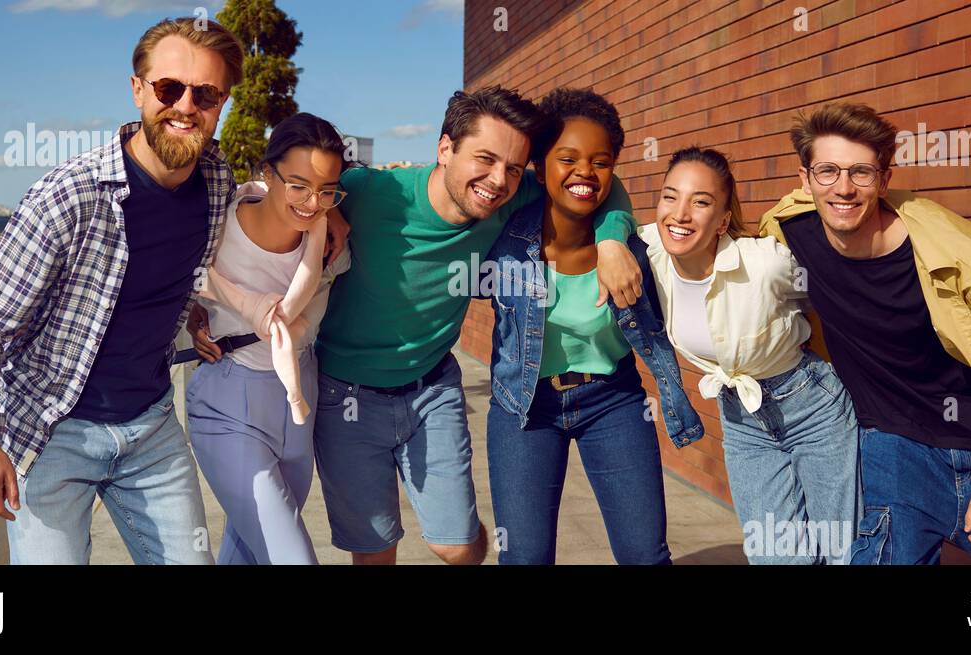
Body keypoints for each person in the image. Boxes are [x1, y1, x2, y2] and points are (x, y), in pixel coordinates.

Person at [302, 86, 642, 565]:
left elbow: (604, 184)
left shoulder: (507, 199)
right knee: (374, 552)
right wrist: (328, 206)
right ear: (445, 148)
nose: (497, 179)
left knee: (457, 546)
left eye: (512, 167)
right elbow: (286, 192)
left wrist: (610, 242)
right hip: (346, 395)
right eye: (484, 158)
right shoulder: (368, 194)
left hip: (431, 389)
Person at [0, 18, 245, 564]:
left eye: (205, 94)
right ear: (137, 89)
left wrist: (331, 221)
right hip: (50, 430)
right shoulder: (69, 196)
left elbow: (263, 214)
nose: (186, 105)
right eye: (168, 88)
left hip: (152, 427)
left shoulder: (217, 181)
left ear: (221, 102)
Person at [759, 102, 971, 564]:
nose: (844, 188)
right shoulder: (790, 231)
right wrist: (615, 239)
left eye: (861, 173)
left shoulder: (966, 259)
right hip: (889, 445)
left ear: (884, 179)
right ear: (805, 178)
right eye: (827, 171)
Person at [483, 88, 703, 565]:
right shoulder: (503, 233)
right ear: (541, 167)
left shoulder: (635, 249)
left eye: (600, 161)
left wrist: (611, 241)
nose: (585, 171)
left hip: (613, 400)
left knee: (646, 554)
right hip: (524, 404)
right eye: (568, 158)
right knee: (522, 557)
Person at [638, 146, 859, 564]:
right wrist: (610, 244)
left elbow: (830, 293)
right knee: (775, 556)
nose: (680, 214)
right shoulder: (648, 250)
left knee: (841, 551)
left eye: (700, 202)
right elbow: (604, 221)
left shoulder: (765, 264)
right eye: (670, 196)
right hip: (741, 418)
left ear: (723, 220)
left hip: (812, 406)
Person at [182, 113, 353, 564]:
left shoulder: (331, 244)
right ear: (266, 173)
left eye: (326, 190)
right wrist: (192, 319)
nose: (312, 202)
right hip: (227, 401)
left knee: (249, 552)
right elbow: (170, 284)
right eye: (297, 185)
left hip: (299, 402)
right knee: (290, 558)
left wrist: (333, 212)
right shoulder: (215, 228)